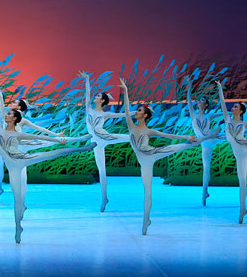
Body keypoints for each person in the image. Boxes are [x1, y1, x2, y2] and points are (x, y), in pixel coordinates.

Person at [0, 77, 96, 243]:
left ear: (14, 118)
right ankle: (18, 227)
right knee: (17, 198)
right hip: (13, 163)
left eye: (10, 113)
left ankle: (81, 146)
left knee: (53, 152)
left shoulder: (19, 129)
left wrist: (56, 138)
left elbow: (36, 132)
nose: (7, 113)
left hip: (22, 157)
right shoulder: (0, 129)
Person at [119, 77, 201, 235]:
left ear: (145, 116)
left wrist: (186, 137)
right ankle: (147, 219)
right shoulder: (131, 126)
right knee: (147, 191)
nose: (136, 112)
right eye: (137, 110)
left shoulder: (149, 131)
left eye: (140, 111)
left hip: (153, 153)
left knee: (175, 147)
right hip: (145, 163)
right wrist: (126, 91)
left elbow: (168, 135)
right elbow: (126, 107)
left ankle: (198, 140)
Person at [79, 71, 134, 212]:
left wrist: (139, 112)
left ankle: (146, 137)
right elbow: (87, 93)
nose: (95, 97)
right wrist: (87, 79)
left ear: (102, 100)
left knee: (128, 137)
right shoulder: (88, 109)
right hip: (96, 143)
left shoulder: (105, 113)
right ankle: (104, 198)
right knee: (102, 171)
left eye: (98, 96)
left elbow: (124, 114)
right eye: (96, 95)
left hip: (105, 137)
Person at [185, 76, 223, 205]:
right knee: (206, 168)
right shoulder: (193, 114)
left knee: (230, 136)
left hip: (211, 137)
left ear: (206, 104)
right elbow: (188, 100)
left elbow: (225, 113)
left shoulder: (209, 115)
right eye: (199, 100)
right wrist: (190, 85)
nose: (199, 102)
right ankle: (204, 192)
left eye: (202, 100)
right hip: (206, 142)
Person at [215, 80, 247, 223]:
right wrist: (220, 88)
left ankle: (242, 210)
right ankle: (242, 209)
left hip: (244, 151)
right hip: (239, 155)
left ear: (240, 111)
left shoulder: (244, 123)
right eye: (233, 106)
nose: (232, 108)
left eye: (235, 106)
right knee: (242, 182)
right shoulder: (227, 119)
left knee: (243, 182)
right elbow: (222, 103)